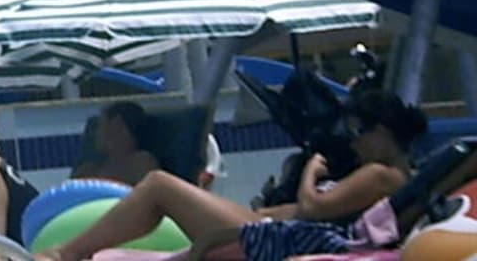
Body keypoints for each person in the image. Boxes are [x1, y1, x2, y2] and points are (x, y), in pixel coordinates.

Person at [35, 90, 428, 261]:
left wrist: (312, 170)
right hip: (272, 231)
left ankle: (64, 254)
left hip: (275, 243)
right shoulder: (388, 176)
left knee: (159, 187)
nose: (354, 141)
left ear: (383, 132)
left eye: (360, 132)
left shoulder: (383, 174)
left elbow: (314, 207)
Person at [0, 101, 161, 249]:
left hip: (77, 234)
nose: (96, 134)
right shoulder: (89, 168)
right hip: (49, 225)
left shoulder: (141, 162)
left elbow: (148, 207)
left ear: (118, 125)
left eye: (101, 125)